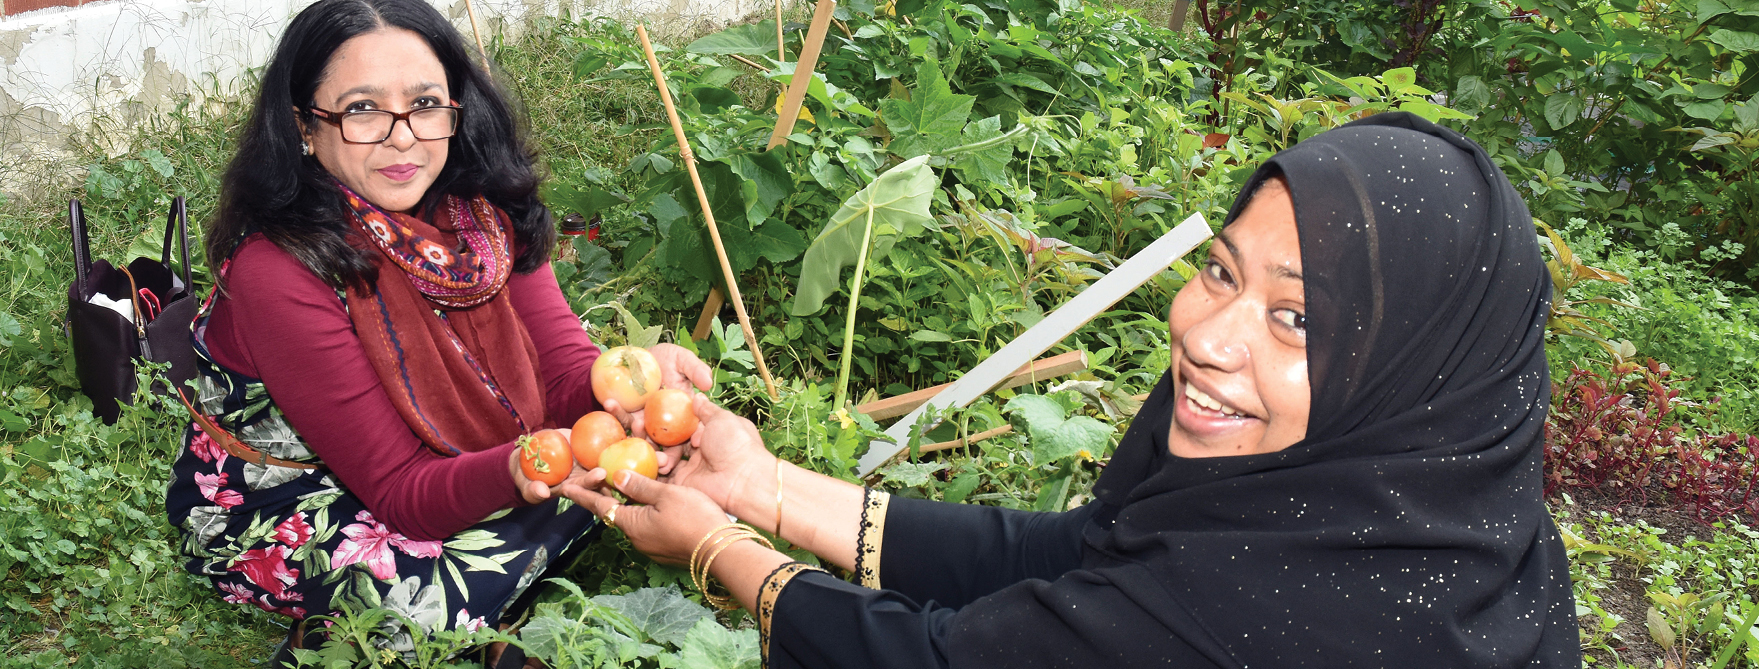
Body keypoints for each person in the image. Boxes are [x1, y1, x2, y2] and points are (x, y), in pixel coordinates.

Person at [567, 112, 1583, 668]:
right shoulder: (1442, 522)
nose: (1206, 336)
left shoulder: (1265, 621)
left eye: (1298, 317)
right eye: (1222, 271)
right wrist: (762, 486)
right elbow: (1084, 563)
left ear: (1417, 367)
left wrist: (716, 547)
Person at [161, 0, 708, 663]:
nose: (403, 137)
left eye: (424, 103)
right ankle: (373, 632)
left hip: (440, 461)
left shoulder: (482, 215)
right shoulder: (278, 269)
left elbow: (564, 375)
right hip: (289, 499)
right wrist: (518, 466)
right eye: (361, 109)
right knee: (439, 578)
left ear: (457, 106)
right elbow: (398, 491)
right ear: (305, 126)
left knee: (622, 462)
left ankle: (462, 617)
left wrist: (634, 395)